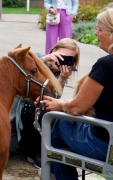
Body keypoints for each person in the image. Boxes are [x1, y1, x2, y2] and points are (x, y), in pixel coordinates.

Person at [36, 4, 113, 179]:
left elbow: (76, 108)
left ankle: (55, 175)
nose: (95, 33)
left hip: (104, 146)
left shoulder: (105, 64)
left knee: (57, 123)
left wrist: (59, 104)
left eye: (99, 30)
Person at [9, 38, 80, 168]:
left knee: (45, 108)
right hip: (14, 116)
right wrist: (42, 61)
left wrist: (62, 79)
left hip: (32, 118)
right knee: (7, 149)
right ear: (53, 51)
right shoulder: (36, 58)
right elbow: (15, 70)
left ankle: (35, 151)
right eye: (61, 56)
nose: (61, 62)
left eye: (68, 59)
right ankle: (24, 147)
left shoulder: (61, 75)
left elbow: (49, 100)